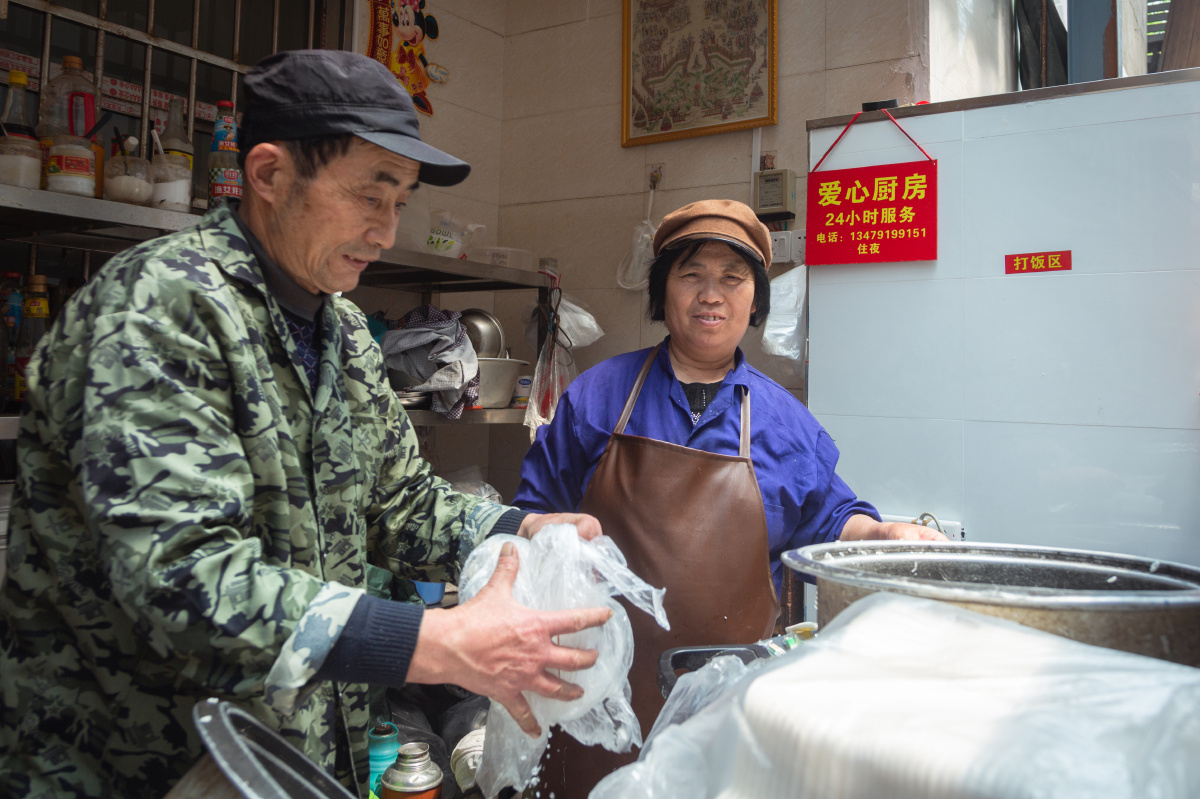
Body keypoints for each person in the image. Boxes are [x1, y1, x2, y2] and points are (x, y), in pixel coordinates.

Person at [0, 50, 611, 799]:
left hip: (296, 758)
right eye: (369, 196)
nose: (385, 231)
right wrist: (432, 641)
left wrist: (521, 529)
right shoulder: (159, 309)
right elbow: (181, 579)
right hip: (140, 764)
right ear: (268, 174)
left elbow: (399, 502)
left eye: (400, 203)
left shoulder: (343, 332)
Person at [514, 198, 947, 797]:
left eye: (732, 278)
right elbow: (531, 515)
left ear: (755, 300)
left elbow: (830, 519)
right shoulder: (598, 396)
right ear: (663, 291)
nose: (711, 295)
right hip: (598, 694)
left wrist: (881, 533)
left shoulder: (785, 422)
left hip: (732, 701)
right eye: (691, 274)